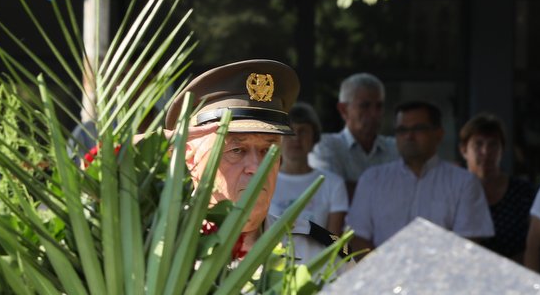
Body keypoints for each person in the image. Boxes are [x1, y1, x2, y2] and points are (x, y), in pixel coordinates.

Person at [163, 59, 330, 258]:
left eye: (268, 150)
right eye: (237, 150)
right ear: (189, 158)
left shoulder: (319, 252)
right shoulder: (157, 251)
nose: (257, 167)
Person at [346, 101, 493, 254]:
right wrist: (384, 274)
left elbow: (468, 245)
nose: (409, 136)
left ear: (439, 134)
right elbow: (357, 237)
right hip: (383, 274)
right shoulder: (372, 180)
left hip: (443, 275)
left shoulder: (463, 183)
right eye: (402, 130)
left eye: (418, 129)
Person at [457, 113, 534, 262]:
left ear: (502, 149)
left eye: (493, 144)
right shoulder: (453, 192)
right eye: (478, 144)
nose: (486, 152)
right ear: (464, 150)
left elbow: (536, 243)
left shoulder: (523, 192)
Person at [308, 72, 399, 199]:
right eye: (365, 106)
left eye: (379, 106)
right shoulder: (325, 146)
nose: (374, 113)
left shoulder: (396, 148)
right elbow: (330, 192)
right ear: (343, 110)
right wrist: (391, 190)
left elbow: (410, 189)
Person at [270, 102, 348, 235]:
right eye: (290, 131)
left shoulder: (333, 184)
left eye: (303, 131)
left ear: (314, 137)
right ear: (278, 138)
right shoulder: (264, 182)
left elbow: (334, 242)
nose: (296, 138)